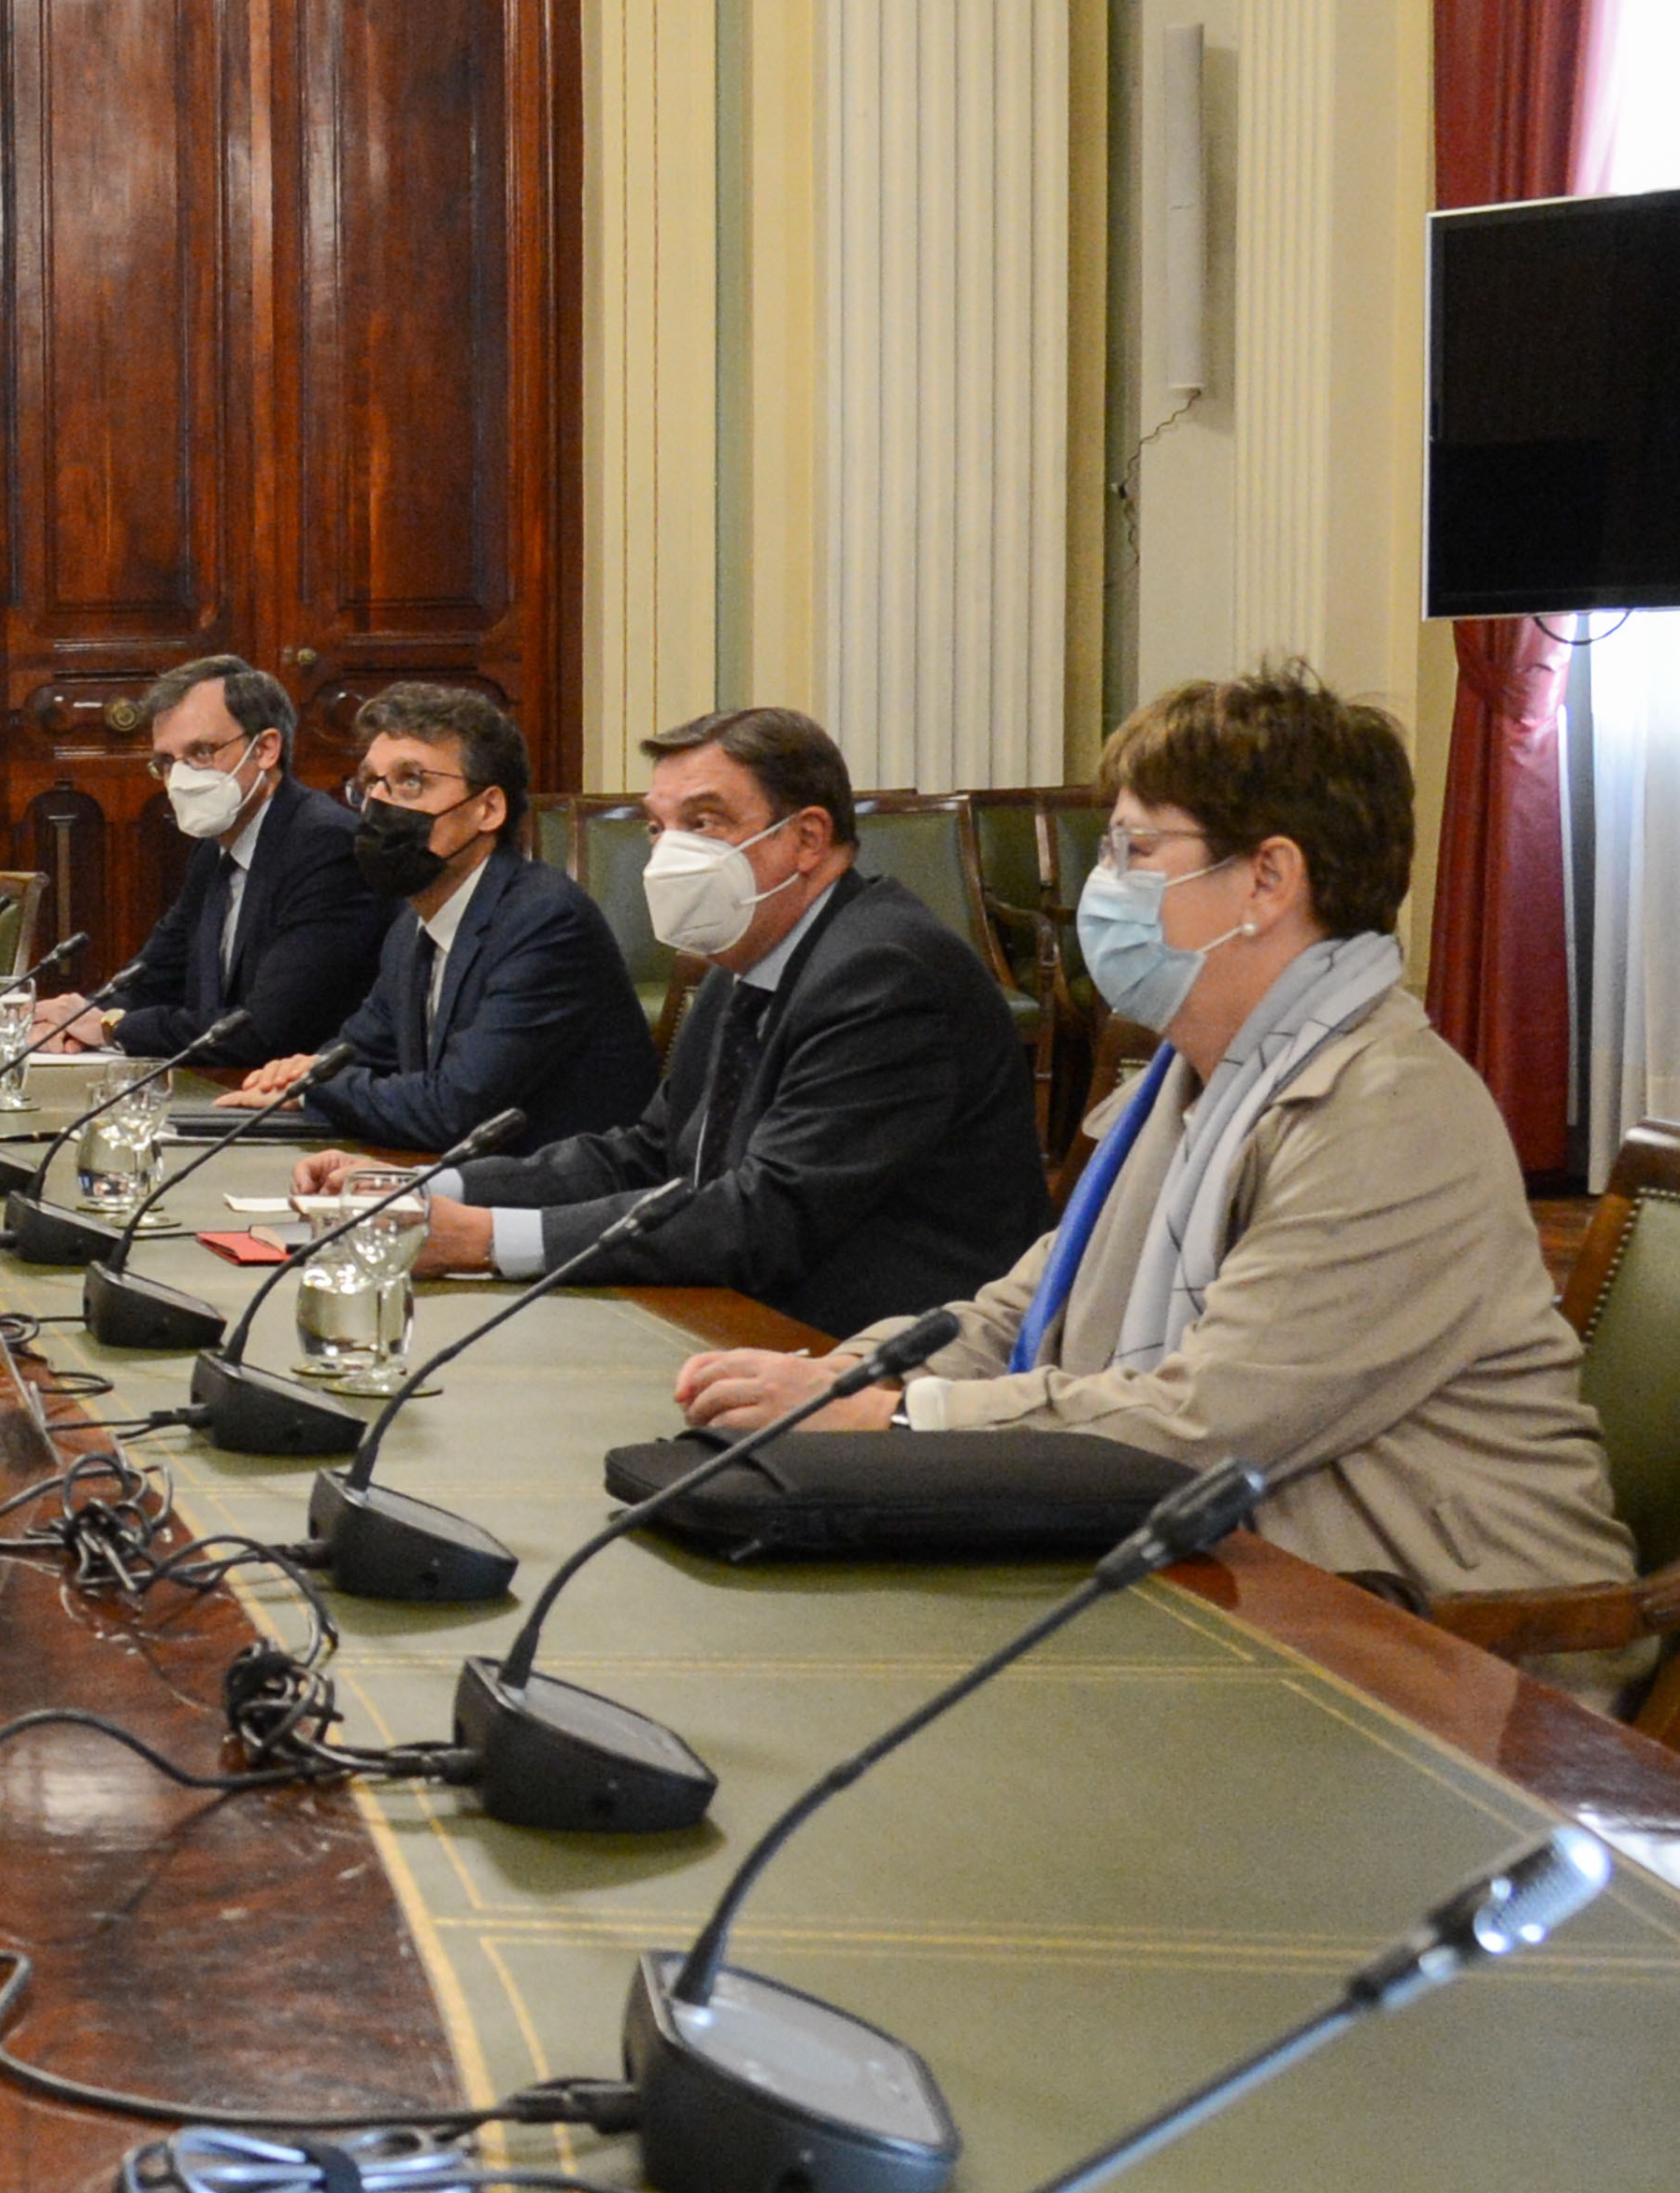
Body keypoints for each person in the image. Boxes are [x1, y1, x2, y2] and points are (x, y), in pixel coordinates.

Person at [670, 663, 1625, 1607]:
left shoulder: (1389, 1114)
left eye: (1134, 850)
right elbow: (1021, 1314)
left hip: (1433, 1632)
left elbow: (1205, 1423)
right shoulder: (1189, 1076)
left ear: (1267, 878)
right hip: (1238, 1576)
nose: (1103, 885)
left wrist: (901, 1417)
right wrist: (842, 1376)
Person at [304, 703, 1044, 1327]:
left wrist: (484, 1238)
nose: (671, 851)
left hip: (872, 1346)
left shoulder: (881, 972)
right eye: (658, 827)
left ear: (807, 838)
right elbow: (649, 1154)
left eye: (704, 820)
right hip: (746, 1310)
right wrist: (428, 1189)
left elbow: (763, 1217)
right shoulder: (744, 958)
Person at [222, 680, 656, 1157]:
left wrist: (316, 1088)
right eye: (370, 784)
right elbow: (361, 1051)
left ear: (488, 809)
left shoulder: (544, 920)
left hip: (561, 1193)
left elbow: (455, 1110)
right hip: (450, 1178)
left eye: (411, 782)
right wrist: (303, 1073)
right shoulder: (412, 926)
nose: (379, 805)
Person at [35, 655, 387, 1072]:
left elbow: (268, 1029)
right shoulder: (215, 847)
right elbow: (153, 975)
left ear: (265, 749)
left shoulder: (327, 846)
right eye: (167, 762)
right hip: (228, 1082)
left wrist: (113, 1027)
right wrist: (74, 1021)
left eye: (201, 752)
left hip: (300, 1093)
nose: (180, 778)